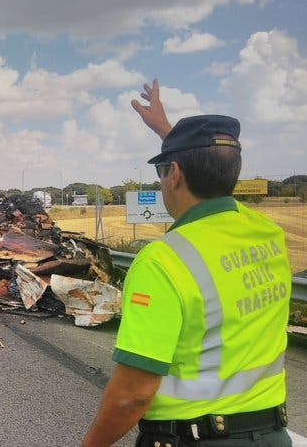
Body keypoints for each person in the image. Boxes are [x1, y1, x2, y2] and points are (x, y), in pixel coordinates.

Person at [82, 79, 292, 447]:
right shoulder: (267, 234)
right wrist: (171, 134)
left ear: (174, 174)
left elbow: (133, 394)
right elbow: (214, 172)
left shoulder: (163, 261)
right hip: (272, 436)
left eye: (163, 171)